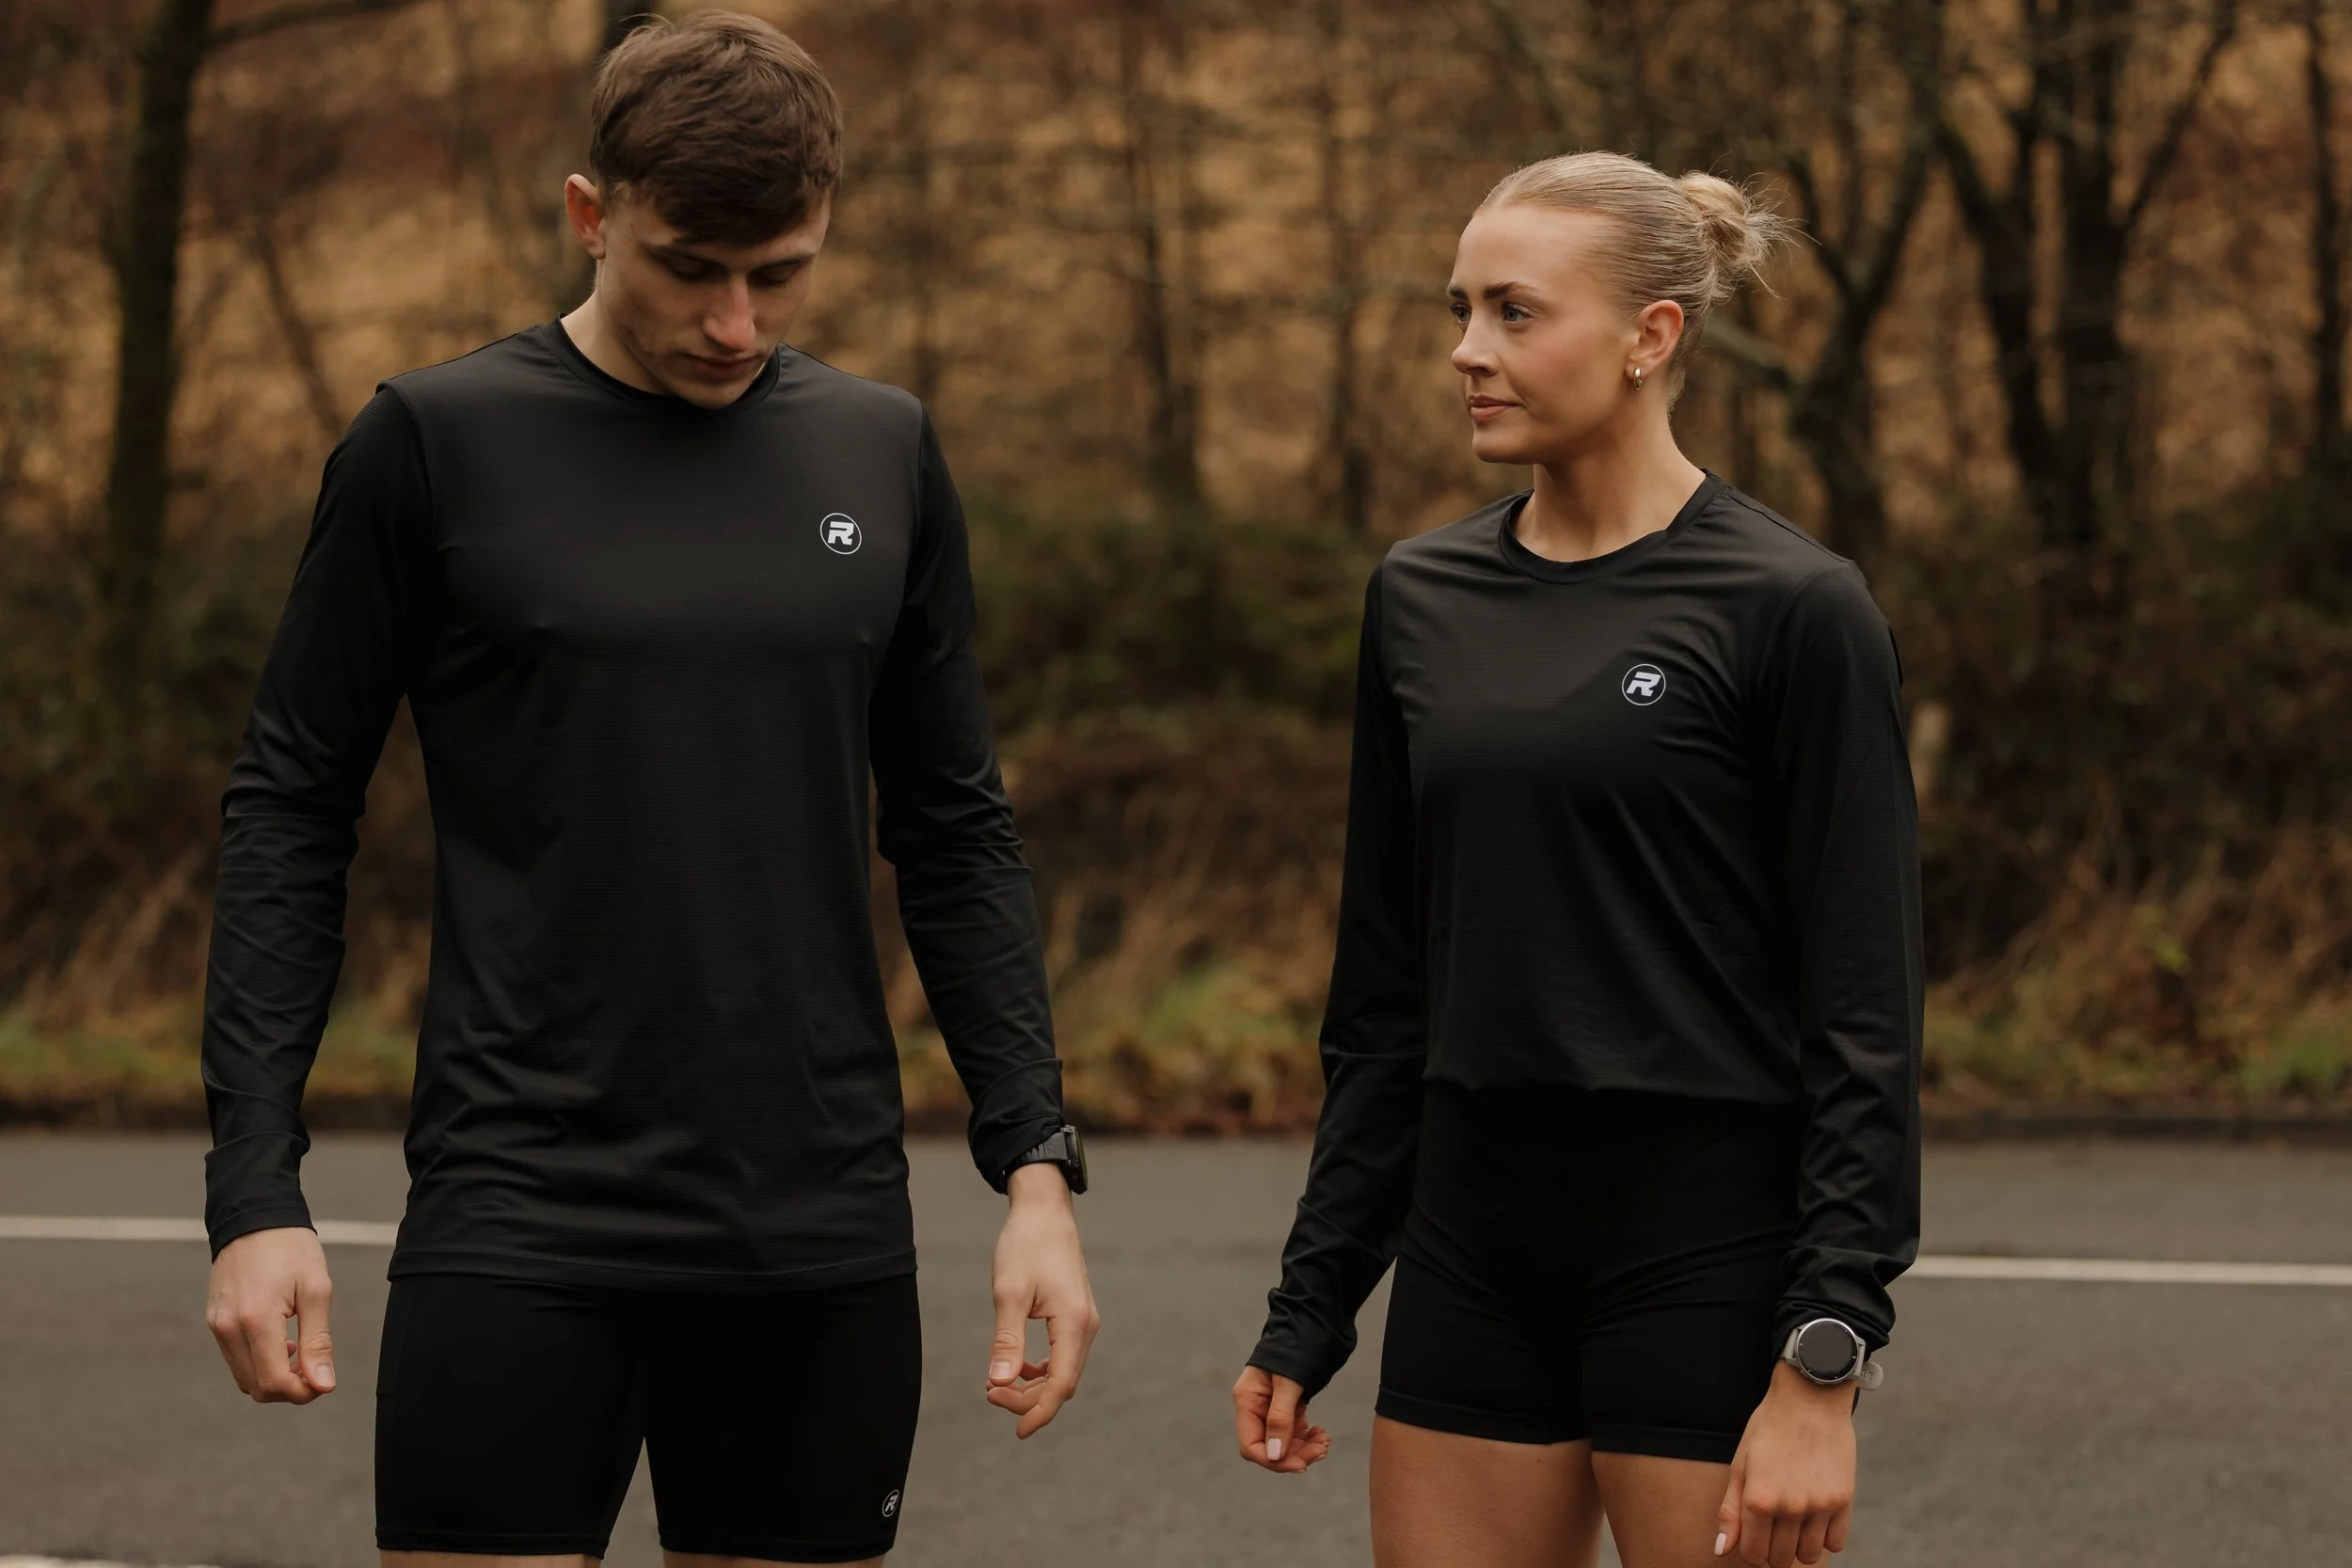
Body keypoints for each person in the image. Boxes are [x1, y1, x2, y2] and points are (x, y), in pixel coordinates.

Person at [199, 15, 1098, 1568]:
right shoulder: (436, 442)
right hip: (521, 1211)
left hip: (815, 1229)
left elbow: (955, 826)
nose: (736, 322)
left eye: (781, 274)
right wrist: (254, 1188)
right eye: (692, 268)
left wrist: (1036, 1168)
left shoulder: (881, 452)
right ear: (589, 212)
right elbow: (291, 804)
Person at [1232, 151, 1921, 1568]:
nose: (1466, 351)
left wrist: (1824, 1353)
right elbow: (1383, 1001)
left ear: (1649, 337)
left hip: (1704, 1258)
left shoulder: (1794, 606)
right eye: (1460, 309)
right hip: (1472, 1252)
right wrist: (1314, 1305)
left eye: (1513, 312)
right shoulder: (1419, 597)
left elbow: (1864, 1017)